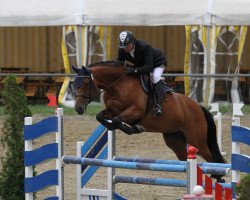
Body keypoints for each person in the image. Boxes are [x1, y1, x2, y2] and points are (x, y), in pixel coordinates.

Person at [117, 30, 167, 117]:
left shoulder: (144, 46)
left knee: (155, 77)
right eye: (123, 47)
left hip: (157, 63)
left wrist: (133, 70)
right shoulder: (122, 49)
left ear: (133, 42)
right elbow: (119, 62)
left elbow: (148, 67)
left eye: (127, 46)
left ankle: (159, 105)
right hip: (141, 64)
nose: (125, 49)